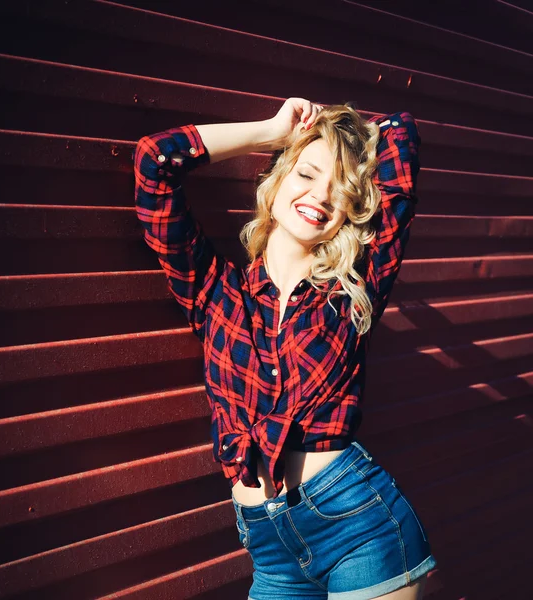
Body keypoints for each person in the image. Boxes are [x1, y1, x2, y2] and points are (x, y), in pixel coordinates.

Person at [133, 97, 437, 600]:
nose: (321, 195)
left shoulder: (354, 288)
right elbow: (154, 163)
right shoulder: (215, 293)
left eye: (341, 188)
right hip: (270, 549)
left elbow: (402, 136)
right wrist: (271, 131)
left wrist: (346, 130)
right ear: (275, 181)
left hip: (356, 526)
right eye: (306, 174)